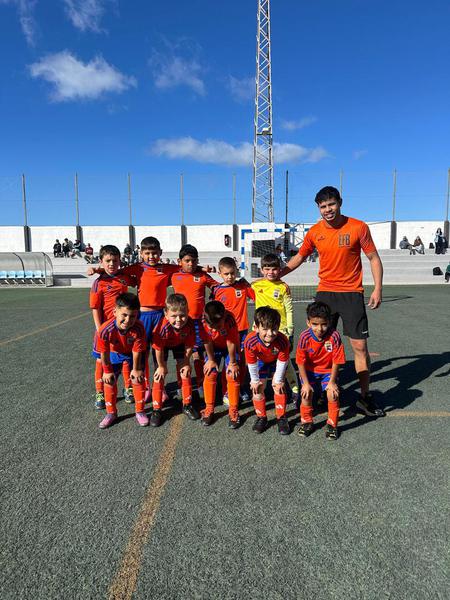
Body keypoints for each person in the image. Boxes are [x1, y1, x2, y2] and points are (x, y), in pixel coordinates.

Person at [282, 185, 385, 417]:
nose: (328, 210)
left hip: (351, 294)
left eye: (331, 204)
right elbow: (299, 257)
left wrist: (377, 288)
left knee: (359, 347)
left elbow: (373, 258)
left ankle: (365, 397)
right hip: (326, 294)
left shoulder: (358, 227)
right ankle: (320, 391)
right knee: (318, 345)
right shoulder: (314, 232)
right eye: (323, 206)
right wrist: (278, 274)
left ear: (340, 203)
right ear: (318, 208)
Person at [90, 245, 137, 409]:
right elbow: (95, 308)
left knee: (126, 357)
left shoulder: (123, 278)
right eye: (108, 261)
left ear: (120, 261)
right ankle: (100, 392)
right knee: (101, 360)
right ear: (101, 261)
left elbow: (136, 280)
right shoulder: (98, 283)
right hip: (105, 329)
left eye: (115, 260)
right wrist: (99, 329)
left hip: (124, 327)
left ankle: (128, 388)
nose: (111, 264)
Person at [171, 244, 218, 400]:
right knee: (182, 355)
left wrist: (213, 296)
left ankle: (200, 382)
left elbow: (217, 287)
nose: (190, 264)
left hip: (198, 322)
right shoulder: (174, 274)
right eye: (187, 261)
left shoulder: (202, 276)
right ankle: (181, 384)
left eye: (194, 261)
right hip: (179, 322)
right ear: (180, 261)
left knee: (197, 352)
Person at [94, 292, 148, 429]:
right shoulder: (105, 330)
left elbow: (137, 351)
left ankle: (140, 411)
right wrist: (107, 371)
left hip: (132, 354)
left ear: (137, 315)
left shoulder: (139, 327)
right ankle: (111, 413)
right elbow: (104, 353)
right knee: (109, 381)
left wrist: (136, 369)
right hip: (114, 354)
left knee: (138, 379)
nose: (128, 320)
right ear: (115, 312)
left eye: (133, 316)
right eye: (124, 315)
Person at [251, 253, 299, 404]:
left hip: (280, 330)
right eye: (267, 269)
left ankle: (295, 389)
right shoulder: (256, 285)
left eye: (274, 269)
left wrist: (290, 330)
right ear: (261, 270)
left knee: (285, 362)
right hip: (260, 330)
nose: (270, 272)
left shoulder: (283, 287)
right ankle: (260, 388)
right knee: (259, 359)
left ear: (279, 269)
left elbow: (289, 310)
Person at [296, 301, 346, 441]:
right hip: (309, 372)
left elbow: (337, 360)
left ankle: (332, 425)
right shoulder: (304, 337)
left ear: (329, 322)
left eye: (324, 324)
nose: (320, 329)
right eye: (315, 324)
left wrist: (332, 382)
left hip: (328, 372)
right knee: (306, 395)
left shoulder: (334, 336)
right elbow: (300, 362)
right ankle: (307, 422)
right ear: (308, 322)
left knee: (332, 394)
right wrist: (306, 384)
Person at [210, 256, 255, 403]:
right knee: (229, 361)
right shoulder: (216, 290)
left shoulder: (243, 287)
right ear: (220, 274)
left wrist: (250, 284)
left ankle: (239, 386)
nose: (230, 277)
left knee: (240, 361)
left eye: (232, 273)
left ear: (236, 272)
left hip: (241, 331)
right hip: (225, 333)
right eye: (226, 274)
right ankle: (226, 391)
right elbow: (213, 312)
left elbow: (257, 296)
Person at [151, 293, 200, 426]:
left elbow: (189, 345)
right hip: (162, 347)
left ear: (188, 312)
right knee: (159, 375)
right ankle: (156, 409)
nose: (178, 320)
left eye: (182, 315)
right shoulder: (161, 328)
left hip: (180, 343)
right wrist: (161, 366)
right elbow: (158, 349)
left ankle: (187, 404)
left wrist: (186, 362)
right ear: (166, 314)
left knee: (185, 371)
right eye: (174, 316)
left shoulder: (190, 323)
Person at [244, 307, 290, 435]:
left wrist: (278, 380)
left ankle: (281, 417)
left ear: (278, 327)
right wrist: (254, 381)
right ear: (256, 327)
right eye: (265, 329)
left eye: (274, 329)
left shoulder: (282, 341)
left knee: (279, 387)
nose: (270, 333)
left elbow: (282, 362)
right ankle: (261, 417)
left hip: (276, 362)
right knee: (258, 388)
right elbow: (251, 363)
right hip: (260, 362)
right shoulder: (250, 341)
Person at [200, 301, 241, 428]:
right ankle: (209, 408)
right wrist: (211, 360)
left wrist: (232, 363)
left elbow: (231, 342)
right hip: (214, 348)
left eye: (217, 326)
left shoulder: (229, 320)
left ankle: (233, 410)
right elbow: (207, 341)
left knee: (232, 374)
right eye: (211, 326)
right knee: (210, 372)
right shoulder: (203, 321)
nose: (214, 329)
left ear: (223, 317)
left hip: (230, 348)